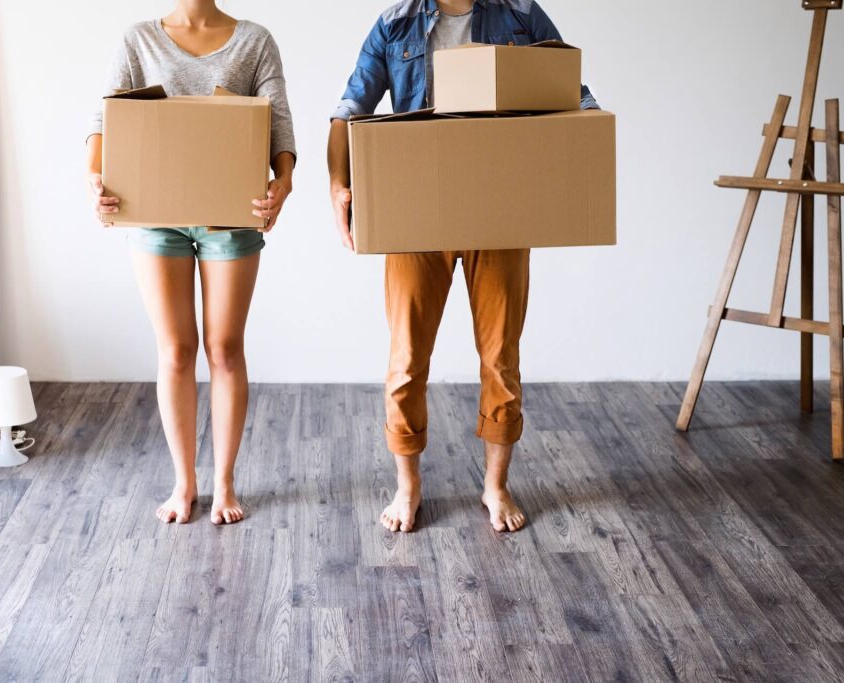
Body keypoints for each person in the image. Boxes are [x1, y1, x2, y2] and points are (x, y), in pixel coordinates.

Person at [327, 0, 598, 533]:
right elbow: (348, 109)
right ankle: (408, 488)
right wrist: (338, 185)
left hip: (499, 212)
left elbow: (575, 95)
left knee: (500, 355)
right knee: (406, 358)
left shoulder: (521, 16)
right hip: (416, 215)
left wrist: (582, 153)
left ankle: (496, 487)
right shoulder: (396, 23)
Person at [86, 0, 296, 525]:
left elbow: (279, 124)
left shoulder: (254, 40)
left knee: (224, 349)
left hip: (231, 214)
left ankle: (224, 483)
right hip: (158, 216)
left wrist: (283, 184)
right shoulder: (139, 39)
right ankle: (184, 483)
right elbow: (105, 120)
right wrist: (94, 178)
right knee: (176, 350)